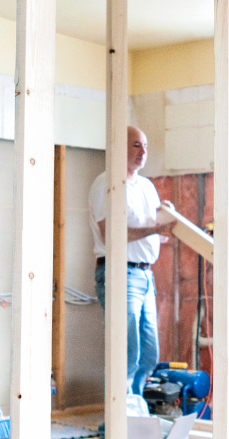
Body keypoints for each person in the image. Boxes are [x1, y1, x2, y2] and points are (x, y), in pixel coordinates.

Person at [88, 126, 176, 396]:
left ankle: (134, 418)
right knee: (126, 354)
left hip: (145, 276)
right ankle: (116, 427)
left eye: (145, 146)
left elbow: (156, 238)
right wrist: (155, 229)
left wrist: (166, 225)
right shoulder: (107, 184)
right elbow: (110, 233)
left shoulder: (147, 187)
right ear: (119, 147)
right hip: (119, 274)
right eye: (136, 145)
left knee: (148, 355)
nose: (143, 152)